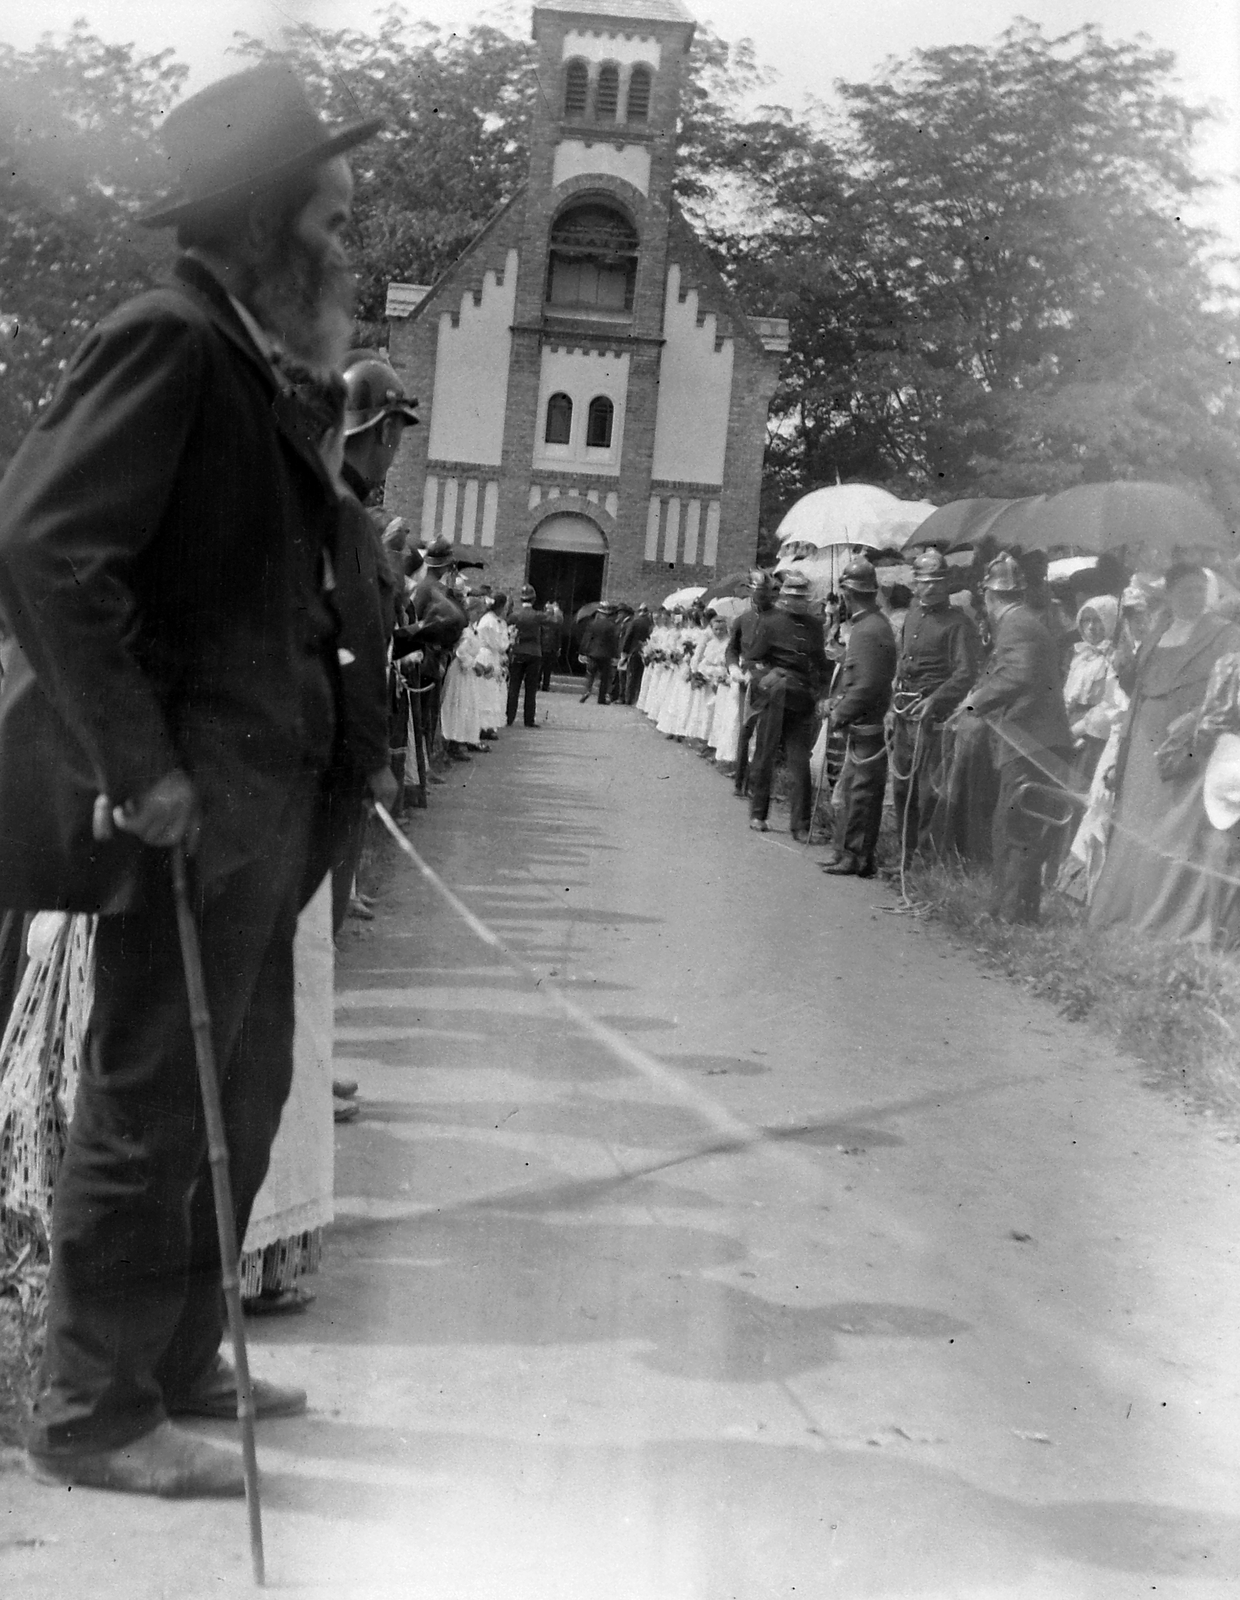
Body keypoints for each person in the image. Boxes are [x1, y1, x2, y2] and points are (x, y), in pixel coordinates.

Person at [0, 62, 382, 1496]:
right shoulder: (165, 338)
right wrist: (138, 762)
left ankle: (170, 1359)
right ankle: (94, 1414)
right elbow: (44, 545)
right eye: (330, 219)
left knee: (246, 1084)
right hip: (195, 808)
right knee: (157, 1095)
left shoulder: (246, 356)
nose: (346, 246)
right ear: (263, 222)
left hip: (267, 806)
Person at [1088, 563, 1240, 943]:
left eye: (1199, 590)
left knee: (1175, 828)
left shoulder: (1225, 633)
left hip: (1186, 746)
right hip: (1143, 743)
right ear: (1169, 595)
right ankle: (1128, 911)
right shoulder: (1158, 632)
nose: (1193, 597)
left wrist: (1195, 721)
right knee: (1137, 825)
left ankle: (1170, 919)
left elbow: (1226, 694)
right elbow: (1137, 686)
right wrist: (1123, 657)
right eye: (1185, 590)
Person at [961, 553, 1073, 923]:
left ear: (989, 596)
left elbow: (1017, 675)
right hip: (1033, 740)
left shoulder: (1015, 625)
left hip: (1030, 742)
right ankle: (1014, 910)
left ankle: (1009, 914)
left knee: (1014, 828)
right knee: (1018, 826)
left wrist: (975, 704)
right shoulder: (1023, 621)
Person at [890, 548, 980, 864]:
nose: (931, 588)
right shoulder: (912, 614)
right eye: (925, 582)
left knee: (927, 793)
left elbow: (965, 673)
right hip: (904, 712)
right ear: (915, 583)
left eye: (937, 582)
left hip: (933, 718)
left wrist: (935, 700)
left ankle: (923, 863)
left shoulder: (958, 623)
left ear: (947, 585)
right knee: (901, 787)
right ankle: (903, 855)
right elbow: (903, 659)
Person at [823, 557, 898, 876]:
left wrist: (840, 712)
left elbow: (867, 685)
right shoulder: (869, 625)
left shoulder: (868, 630)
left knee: (862, 794)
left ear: (847, 594)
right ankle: (846, 851)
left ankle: (857, 857)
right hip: (863, 723)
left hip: (868, 724)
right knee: (852, 791)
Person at [746, 570, 831, 840]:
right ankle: (758, 813)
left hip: (802, 699)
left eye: (802, 597)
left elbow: (821, 664)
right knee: (765, 755)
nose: (798, 601)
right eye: (793, 596)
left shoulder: (815, 626)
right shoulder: (769, 621)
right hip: (775, 696)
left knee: (800, 763)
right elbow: (752, 660)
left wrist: (824, 693)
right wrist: (767, 678)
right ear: (784, 596)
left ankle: (801, 825)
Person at [727, 570, 780, 797]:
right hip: (747, 680)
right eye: (757, 593)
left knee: (766, 734)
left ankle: (757, 783)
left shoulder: (779, 620)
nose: (761, 597)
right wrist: (733, 668)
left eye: (765, 593)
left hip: (771, 680)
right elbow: (732, 649)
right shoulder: (742, 620)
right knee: (745, 731)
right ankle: (740, 780)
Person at [507, 584, 544, 727]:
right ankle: (529, 719)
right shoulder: (538, 615)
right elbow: (556, 621)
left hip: (517, 652)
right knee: (531, 688)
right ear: (533, 599)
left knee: (513, 687)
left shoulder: (515, 615)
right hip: (534, 653)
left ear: (521, 599)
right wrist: (554, 610)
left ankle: (509, 717)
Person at [580, 602, 621, 704]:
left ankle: (587, 691)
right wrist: (616, 655)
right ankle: (601, 698)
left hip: (592, 653)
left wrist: (582, 652)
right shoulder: (612, 626)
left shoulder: (592, 624)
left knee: (590, 673)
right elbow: (614, 642)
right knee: (604, 678)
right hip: (606, 655)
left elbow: (587, 639)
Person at [621, 604, 654, 705]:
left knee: (631, 675)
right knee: (642, 676)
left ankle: (629, 698)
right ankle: (638, 698)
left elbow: (628, 637)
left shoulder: (635, 622)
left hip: (634, 651)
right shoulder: (651, 623)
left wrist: (625, 651)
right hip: (647, 652)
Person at [539, 600, 563, 691]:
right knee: (547, 669)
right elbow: (558, 637)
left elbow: (539, 635)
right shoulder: (555, 623)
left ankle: (537, 684)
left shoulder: (541, 623)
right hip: (551, 648)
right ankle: (545, 685)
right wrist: (558, 648)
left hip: (542, 647)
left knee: (540, 667)